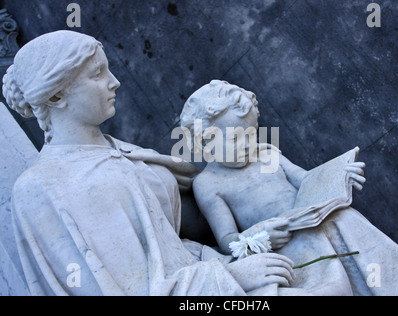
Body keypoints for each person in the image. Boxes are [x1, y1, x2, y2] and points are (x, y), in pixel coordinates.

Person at [3, 31, 298, 296]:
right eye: (97, 74)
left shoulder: (119, 150)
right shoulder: (41, 188)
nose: (114, 81)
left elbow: (180, 240)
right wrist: (229, 277)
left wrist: (248, 240)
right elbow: (119, 287)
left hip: (210, 266)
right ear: (57, 95)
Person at [180, 80, 398, 296]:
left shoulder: (267, 153)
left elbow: (307, 179)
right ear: (206, 144)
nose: (249, 144)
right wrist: (259, 237)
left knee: (350, 227)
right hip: (287, 245)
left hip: (321, 220)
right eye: (237, 139)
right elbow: (226, 240)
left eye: (252, 134)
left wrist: (338, 175)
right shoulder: (208, 184)